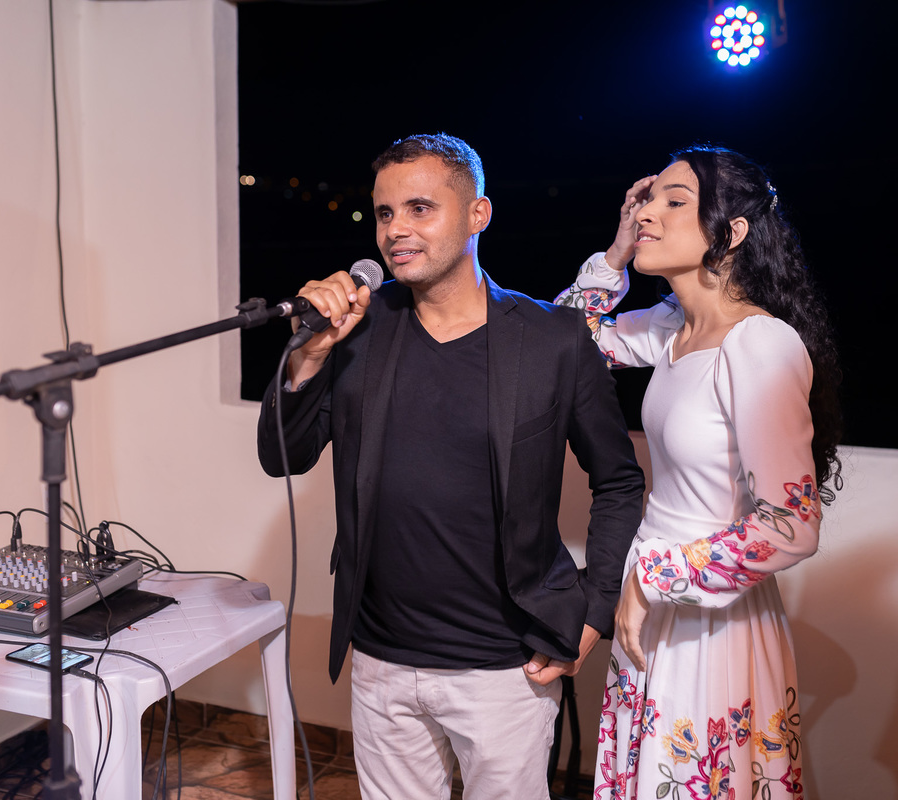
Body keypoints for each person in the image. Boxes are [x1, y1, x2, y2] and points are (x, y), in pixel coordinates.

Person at [256, 133, 646, 800]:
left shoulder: (552, 340)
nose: (395, 230)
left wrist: (594, 612)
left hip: (505, 669)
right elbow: (281, 457)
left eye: (420, 209)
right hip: (380, 660)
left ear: (477, 214)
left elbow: (618, 480)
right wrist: (309, 355)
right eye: (385, 213)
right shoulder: (357, 331)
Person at [555, 145, 842, 800]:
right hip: (651, 599)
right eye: (647, 199)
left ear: (732, 232)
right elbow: (563, 341)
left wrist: (653, 578)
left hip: (708, 617)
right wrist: (615, 254)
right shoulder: (671, 329)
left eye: (674, 201)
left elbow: (792, 525)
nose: (648, 212)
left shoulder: (759, 343)